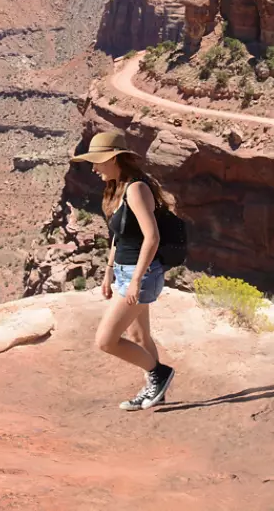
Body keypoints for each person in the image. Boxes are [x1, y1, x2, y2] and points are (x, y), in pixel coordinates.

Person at [71, 130, 176, 411]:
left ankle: (159, 374)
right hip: (125, 272)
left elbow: (151, 237)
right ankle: (156, 391)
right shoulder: (120, 188)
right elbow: (120, 236)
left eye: (98, 161)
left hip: (141, 274)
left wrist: (136, 281)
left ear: (114, 158)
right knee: (138, 338)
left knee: (106, 341)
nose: (93, 168)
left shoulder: (136, 189)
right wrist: (108, 273)